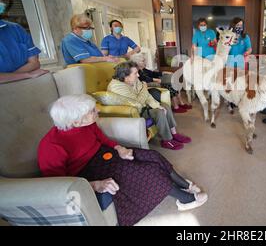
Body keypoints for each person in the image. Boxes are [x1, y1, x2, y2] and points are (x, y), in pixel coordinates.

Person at [38, 94, 207, 226]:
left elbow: (102, 139)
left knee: (152, 156)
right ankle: (185, 200)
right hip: (86, 173)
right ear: (75, 121)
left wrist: (119, 148)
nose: (97, 111)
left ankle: (184, 185)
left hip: (104, 154)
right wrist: (95, 185)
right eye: (92, 111)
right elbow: (60, 184)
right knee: (147, 172)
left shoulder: (87, 124)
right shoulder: (51, 146)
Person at [107, 61, 191, 150]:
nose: (138, 76)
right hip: (133, 112)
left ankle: (174, 134)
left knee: (164, 106)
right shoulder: (116, 87)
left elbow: (147, 95)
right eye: (135, 73)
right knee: (159, 112)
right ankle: (167, 140)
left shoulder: (132, 79)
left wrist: (156, 105)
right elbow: (138, 102)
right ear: (125, 76)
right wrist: (144, 88)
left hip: (143, 106)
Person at [0, 0, 48, 83]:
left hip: (26, 85)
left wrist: (9, 77)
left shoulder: (16, 29)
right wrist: (26, 74)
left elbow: (34, 63)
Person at [226, 17, 252, 114]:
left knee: (239, 83)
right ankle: (229, 102)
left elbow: (250, 49)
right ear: (233, 25)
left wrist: (247, 52)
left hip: (241, 62)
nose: (239, 27)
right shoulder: (229, 35)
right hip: (230, 61)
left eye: (241, 25)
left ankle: (237, 100)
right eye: (237, 25)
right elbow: (224, 46)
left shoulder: (245, 37)